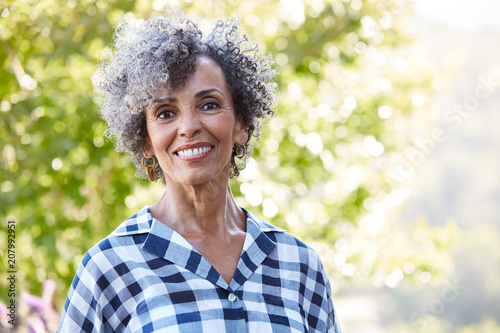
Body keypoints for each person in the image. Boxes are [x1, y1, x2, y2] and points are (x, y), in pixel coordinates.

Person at [58, 11, 342, 333]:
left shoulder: (300, 265)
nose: (189, 127)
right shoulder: (109, 267)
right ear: (145, 139)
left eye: (209, 104)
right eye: (165, 113)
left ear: (242, 123)